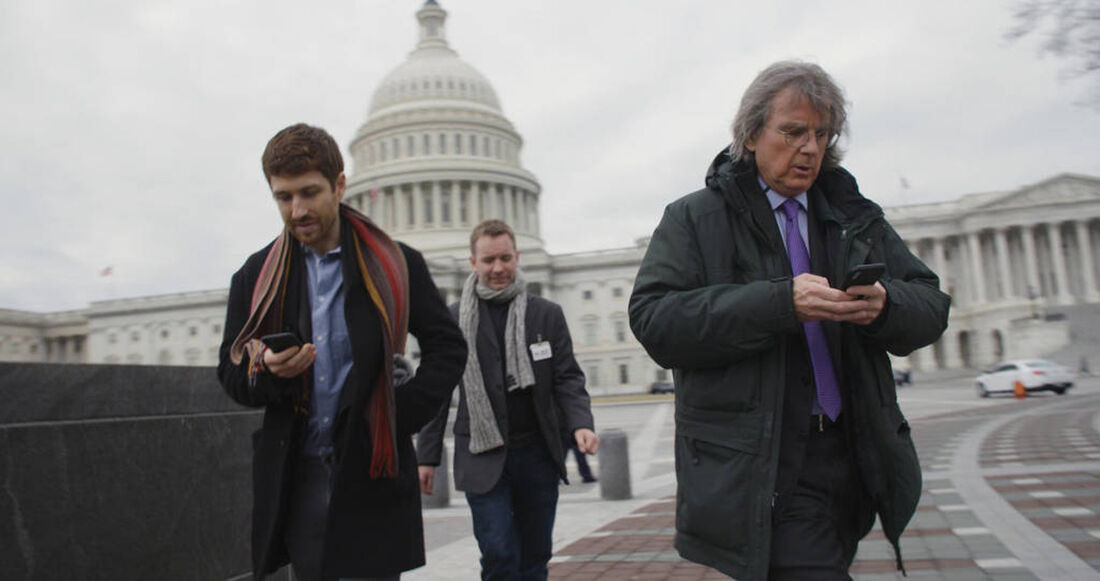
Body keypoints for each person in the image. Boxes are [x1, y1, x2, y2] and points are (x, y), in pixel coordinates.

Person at [628, 61, 950, 580]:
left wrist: (885, 306)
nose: (810, 148)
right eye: (793, 131)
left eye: (822, 134)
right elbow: (655, 321)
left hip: (852, 454)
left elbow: (931, 306)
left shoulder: (854, 216)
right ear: (752, 133)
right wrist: (779, 303)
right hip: (764, 463)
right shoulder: (694, 218)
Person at [217, 123, 467, 580]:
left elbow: (447, 347)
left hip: (372, 467)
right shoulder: (254, 276)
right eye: (283, 197)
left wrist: (400, 413)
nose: (297, 210)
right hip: (300, 474)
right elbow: (231, 373)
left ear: (340, 185)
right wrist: (268, 372)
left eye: (310, 193)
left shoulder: (397, 262)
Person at [416, 219, 598, 581]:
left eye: (504, 258)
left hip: (537, 454)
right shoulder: (451, 321)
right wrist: (426, 456)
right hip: (482, 455)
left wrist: (581, 422)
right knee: (499, 552)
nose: (497, 268)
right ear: (473, 263)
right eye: (488, 261)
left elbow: (567, 377)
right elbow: (435, 391)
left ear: (516, 257)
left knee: (535, 555)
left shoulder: (546, 313)